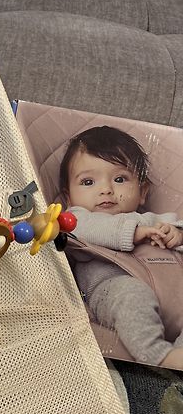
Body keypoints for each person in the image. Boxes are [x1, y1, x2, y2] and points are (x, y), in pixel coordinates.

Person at [59, 125, 183, 370]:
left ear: (142, 191)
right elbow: (81, 230)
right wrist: (132, 232)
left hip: (173, 292)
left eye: (119, 179)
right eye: (88, 181)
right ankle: (158, 356)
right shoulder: (77, 219)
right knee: (131, 296)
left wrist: (178, 235)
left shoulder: (153, 219)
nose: (106, 189)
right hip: (113, 288)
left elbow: (177, 226)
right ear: (68, 197)